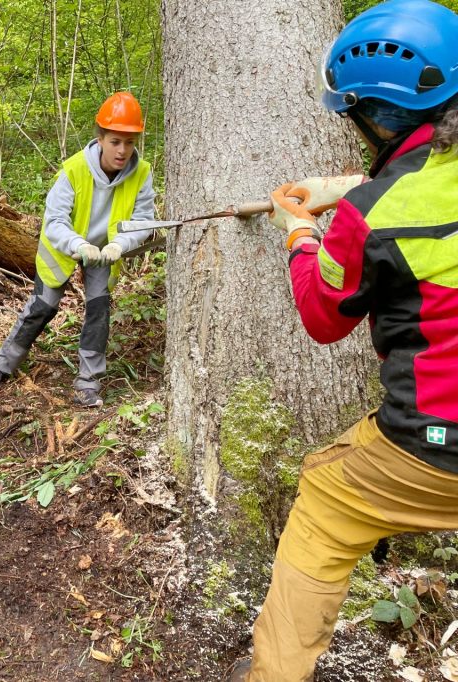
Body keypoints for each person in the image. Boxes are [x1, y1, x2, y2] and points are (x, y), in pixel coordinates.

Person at [233, 1, 458, 679]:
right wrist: (354, 187)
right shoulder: (383, 197)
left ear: (377, 116)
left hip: (435, 443)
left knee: (325, 500)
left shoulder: (369, 219)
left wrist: (302, 231)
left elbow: (324, 318)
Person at [0, 92, 156, 407]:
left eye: (129, 143)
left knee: (98, 312)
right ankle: (1, 365)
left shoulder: (141, 172)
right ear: (100, 138)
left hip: (105, 251)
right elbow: (55, 221)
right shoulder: (74, 170)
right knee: (42, 308)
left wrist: (119, 244)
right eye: (115, 141)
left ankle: (88, 384)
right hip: (64, 247)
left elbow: (144, 221)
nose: (123, 150)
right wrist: (79, 244)